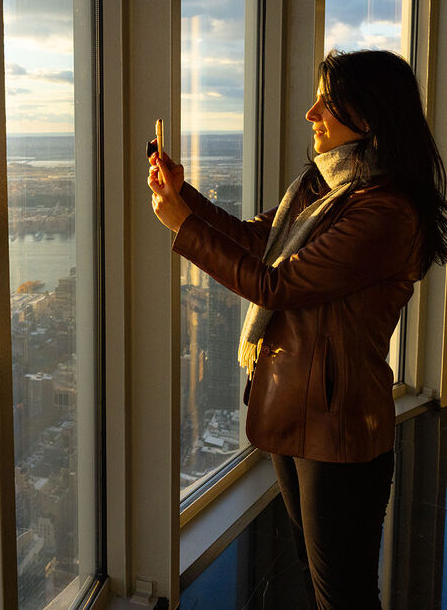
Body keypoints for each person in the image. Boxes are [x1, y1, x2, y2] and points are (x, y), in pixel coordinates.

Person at [147, 49, 447, 610]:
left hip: (338, 423)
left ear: (371, 114)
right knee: (317, 576)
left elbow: (276, 286)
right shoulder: (326, 190)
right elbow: (257, 241)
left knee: (344, 593)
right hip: (296, 406)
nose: (311, 112)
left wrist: (184, 226)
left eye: (328, 102)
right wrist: (182, 198)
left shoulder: (386, 213)